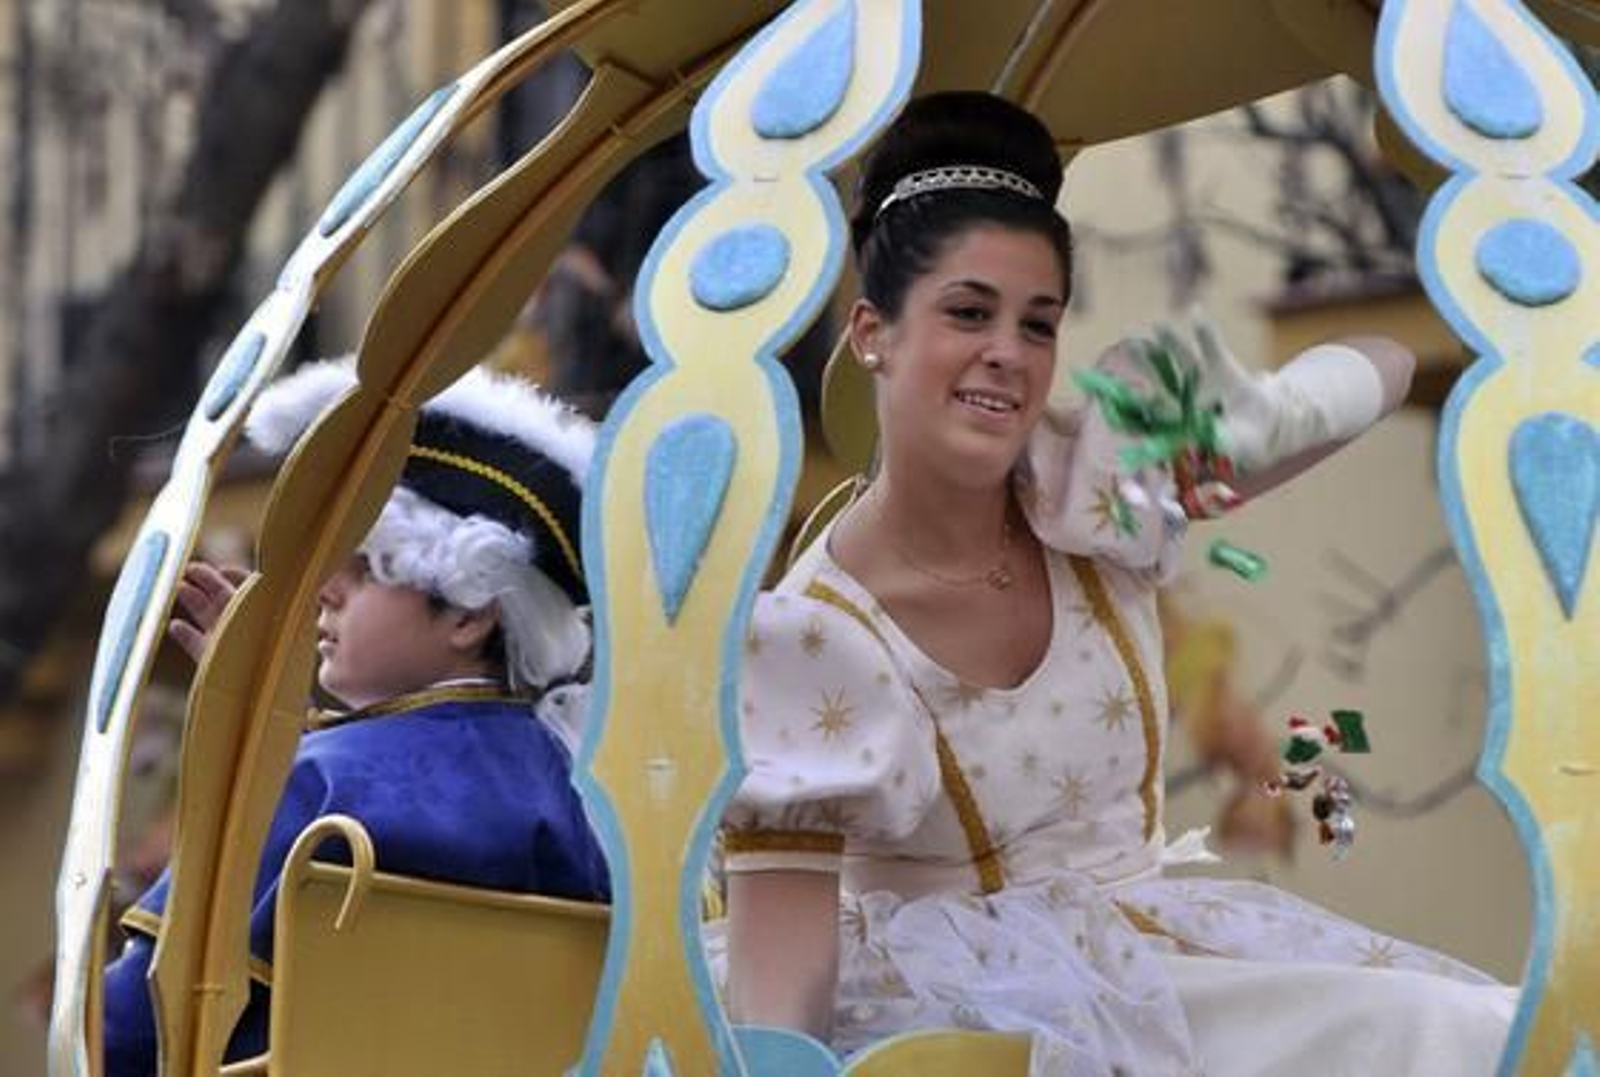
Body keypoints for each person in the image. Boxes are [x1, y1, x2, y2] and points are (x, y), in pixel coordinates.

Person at [713, 92, 1514, 1076]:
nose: (1007, 353)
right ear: (872, 332)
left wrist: (1267, 419)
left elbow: (1387, 361)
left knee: (1470, 1033)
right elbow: (778, 1004)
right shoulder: (807, 638)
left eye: (1038, 323)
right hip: (969, 1024)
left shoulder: (1098, 491)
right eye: (968, 312)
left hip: (1158, 964)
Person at [100, 360, 609, 1075]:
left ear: (469, 610)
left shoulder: (311, 784)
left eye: (365, 567)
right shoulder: (589, 801)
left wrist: (249, 761)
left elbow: (132, 1024)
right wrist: (264, 722)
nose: (323, 591)